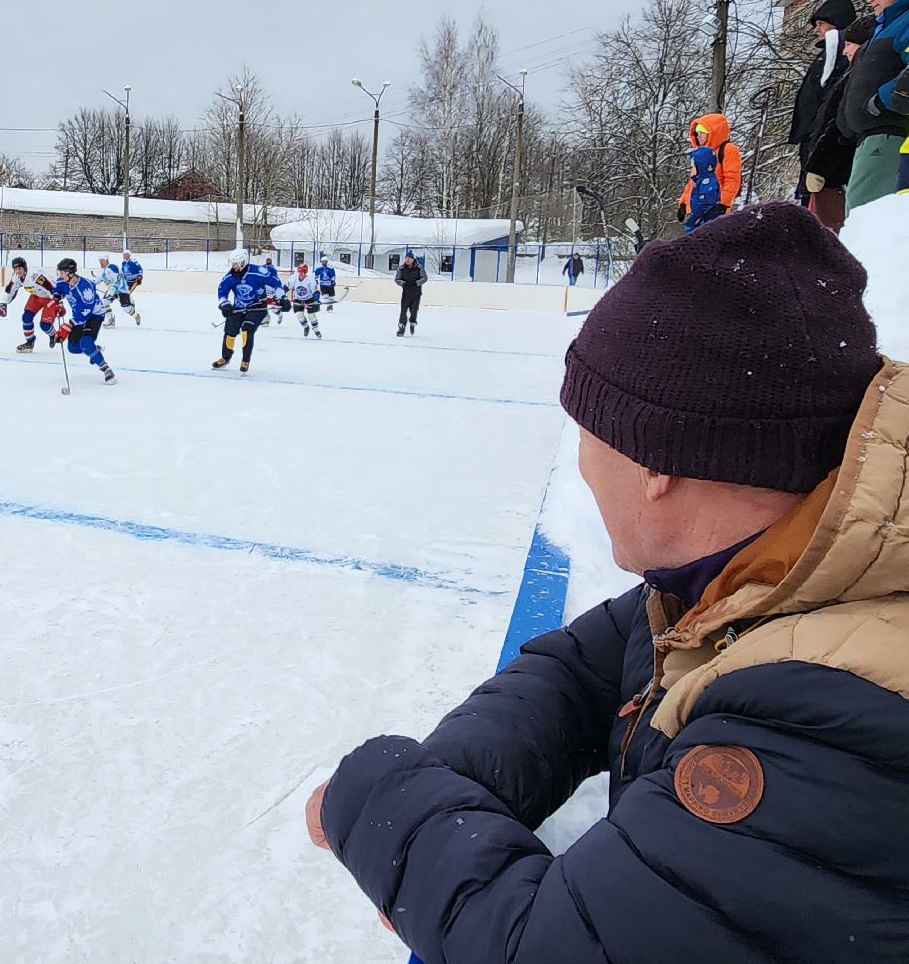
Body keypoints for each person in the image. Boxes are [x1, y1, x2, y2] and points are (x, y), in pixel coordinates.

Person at [305, 202, 909, 963]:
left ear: (659, 464)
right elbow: (588, 668)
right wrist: (449, 780)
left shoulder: (832, 727)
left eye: (590, 432)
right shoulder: (764, 576)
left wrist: (376, 796)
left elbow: (542, 948)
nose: (583, 464)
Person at [841, 0, 909, 211]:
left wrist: (881, 100)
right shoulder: (885, 28)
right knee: (860, 212)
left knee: (864, 213)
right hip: (871, 136)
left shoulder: (905, 22)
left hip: (889, 133)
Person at [803, 15, 878, 232]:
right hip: (834, 172)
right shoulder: (851, 77)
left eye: (849, 45)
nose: (845, 51)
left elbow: (837, 125)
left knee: (829, 233)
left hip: (836, 174)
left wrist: (818, 167)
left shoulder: (857, 80)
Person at [788, 0, 856, 204]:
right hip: (814, 137)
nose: (816, 30)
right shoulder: (825, 55)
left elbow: (831, 99)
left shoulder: (841, 54)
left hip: (823, 140)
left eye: (820, 24)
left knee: (820, 203)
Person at [43, 257, 116, 384]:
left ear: (70, 273)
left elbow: (85, 312)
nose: (59, 275)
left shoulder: (85, 288)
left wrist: (68, 326)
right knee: (73, 348)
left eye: (62, 272)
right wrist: (56, 301)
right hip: (78, 316)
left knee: (86, 341)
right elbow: (58, 290)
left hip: (94, 315)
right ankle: (94, 349)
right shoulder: (63, 281)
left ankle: (106, 369)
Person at [212, 248, 280, 373]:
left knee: (247, 329)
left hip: (257, 308)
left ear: (243, 262)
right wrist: (224, 304)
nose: (233, 266)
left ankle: (245, 360)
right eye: (232, 264)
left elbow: (275, 282)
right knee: (229, 332)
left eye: (235, 264)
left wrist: (283, 297)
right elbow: (222, 291)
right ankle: (225, 357)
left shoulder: (258, 272)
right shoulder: (230, 276)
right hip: (238, 307)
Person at [675, 114, 740, 228]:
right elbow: (693, 182)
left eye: (702, 131)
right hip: (696, 210)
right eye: (696, 132)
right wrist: (683, 203)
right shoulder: (701, 154)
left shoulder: (728, 150)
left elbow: (732, 179)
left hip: (714, 209)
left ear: (713, 131)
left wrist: (723, 204)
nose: (698, 135)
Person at [0, 255, 62, 353]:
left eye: (19, 268)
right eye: (15, 269)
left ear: (24, 267)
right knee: (26, 318)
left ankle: (53, 335)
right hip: (36, 296)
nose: (17, 271)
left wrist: (58, 302)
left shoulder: (34, 276)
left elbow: (51, 287)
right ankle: (30, 342)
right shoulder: (16, 276)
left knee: (45, 325)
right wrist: (3, 303)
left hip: (50, 297)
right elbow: (11, 289)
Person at [682, 145, 722, 232]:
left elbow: (707, 205)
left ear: (701, 166)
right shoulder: (700, 181)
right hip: (699, 224)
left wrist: (694, 220)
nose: (691, 170)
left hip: (704, 226)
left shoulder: (708, 182)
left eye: (693, 167)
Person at [95, 254, 141, 327]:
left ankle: (136, 315)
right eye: (99, 261)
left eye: (102, 261)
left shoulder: (112, 267)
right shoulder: (102, 271)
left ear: (106, 261)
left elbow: (118, 280)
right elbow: (97, 280)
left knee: (127, 309)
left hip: (122, 290)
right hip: (111, 290)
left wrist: (113, 289)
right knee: (103, 303)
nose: (100, 263)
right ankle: (110, 320)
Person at [285, 262, 323, 339]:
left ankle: (316, 330)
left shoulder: (311, 279)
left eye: (304, 272)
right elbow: (286, 288)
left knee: (311, 315)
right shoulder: (293, 278)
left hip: (309, 299)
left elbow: (316, 292)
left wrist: (315, 300)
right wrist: (281, 297)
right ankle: (306, 327)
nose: (302, 274)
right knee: (299, 315)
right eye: (300, 272)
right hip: (298, 299)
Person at [395, 251, 426, 337]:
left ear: (413, 259)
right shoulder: (401, 268)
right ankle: (401, 327)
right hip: (406, 294)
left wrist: (417, 283)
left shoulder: (419, 268)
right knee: (403, 311)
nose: (407, 260)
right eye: (406, 258)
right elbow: (397, 279)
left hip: (416, 294)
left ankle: (412, 323)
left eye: (409, 258)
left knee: (414, 311)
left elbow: (424, 277)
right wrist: (403, 283)